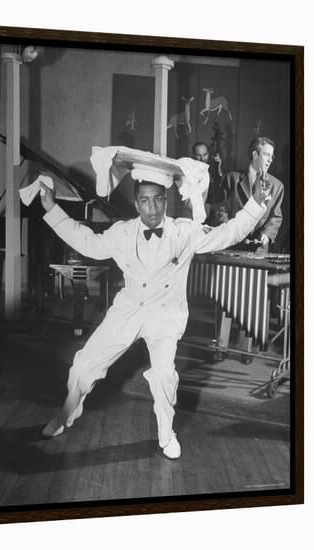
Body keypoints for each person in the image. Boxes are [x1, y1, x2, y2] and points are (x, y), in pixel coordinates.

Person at [39, 169, 271, 460]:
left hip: (165, 317)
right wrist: (52, 209)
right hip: (128, 311)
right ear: (136, 204)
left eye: (158, 200)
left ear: (166, 201)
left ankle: (166, 434)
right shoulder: (121, 232)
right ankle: (65, 415)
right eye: (145, 201)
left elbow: (227, 234)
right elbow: (87, 242)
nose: (152, 208)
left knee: (163, 375)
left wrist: (256, 205)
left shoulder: (184, 232)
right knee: (83, 366)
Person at [222, 137, 284, 252]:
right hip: (231, 246)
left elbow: (275, 216)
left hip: (259, 250)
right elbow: (222, 210)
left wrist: (266, 234)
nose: (270, 160)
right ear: (255, 154)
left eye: (272, 156)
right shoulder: (231, 178)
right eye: (267, 155)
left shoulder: (277, 186)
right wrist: (229, 233)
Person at [192, 141, 228, 225]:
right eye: (198, 155)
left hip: (213, 208)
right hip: (199, 210)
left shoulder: (210, 169)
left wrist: (218, 167)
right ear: (193, 155)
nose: (202, 158)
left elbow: (220, 185)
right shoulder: (191, 171)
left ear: (208, 154)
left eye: (205, 155)